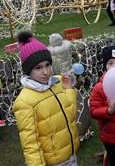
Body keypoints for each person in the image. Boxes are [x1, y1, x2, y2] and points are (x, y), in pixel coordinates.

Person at [13, 31, 79, 166]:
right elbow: (30, 143)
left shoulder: (58, 83)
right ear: (28, 70)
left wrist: (69, 90)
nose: (45, 72)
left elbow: (71, 115)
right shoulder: (24, 102)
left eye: (48, 65)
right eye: (38, 67)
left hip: (71, 155)